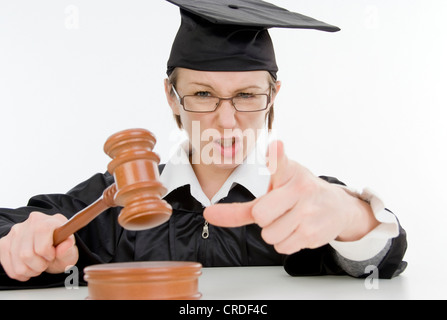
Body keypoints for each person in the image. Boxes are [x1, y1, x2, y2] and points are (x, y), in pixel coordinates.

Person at [0, 0, 407, 288]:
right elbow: (14, 231)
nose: (225, 121)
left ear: (273, 96)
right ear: (171, 96)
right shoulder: (114, 201)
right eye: (202, 95)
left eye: (247, 95)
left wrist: (355, 219)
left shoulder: (299, 202)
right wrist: (21, 245)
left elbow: (377, 263)